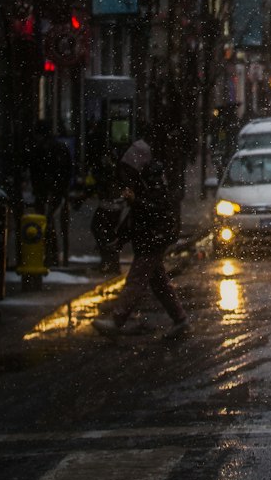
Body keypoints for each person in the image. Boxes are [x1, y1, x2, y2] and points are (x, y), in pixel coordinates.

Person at [92, 139, 190, 339]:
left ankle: (117, 320)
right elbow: (138, 216)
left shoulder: (150, 182)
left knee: (136, 280)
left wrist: (136, 201)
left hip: (153, 238)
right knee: (158, 282)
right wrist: (119, 240)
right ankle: (180, 319)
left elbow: (155, 210)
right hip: (152, 237)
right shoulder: (145, 180)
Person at [29, 122, 73, 268]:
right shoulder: (60, 148)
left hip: (46, 191)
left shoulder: (40, 149)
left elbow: (35, 172)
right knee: (51, 223)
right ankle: (54, 255)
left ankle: (48, 254)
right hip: (57, 191)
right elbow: (68, 170)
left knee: (45, 223)